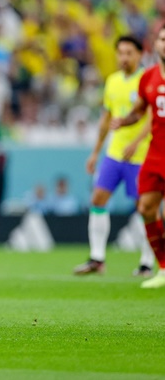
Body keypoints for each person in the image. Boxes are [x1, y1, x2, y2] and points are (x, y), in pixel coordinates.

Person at [74, 35, 155, 276]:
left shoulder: (148, 80)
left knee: (144, 208)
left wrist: (137, 142)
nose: (124, 58)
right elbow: (106, 119)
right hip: (114, 153)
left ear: (140, 54)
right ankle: (97, 258)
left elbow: (152, 118)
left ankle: (147, 262)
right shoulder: (112, 81)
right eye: (120, 53)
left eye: (129, 53)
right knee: (98, 199)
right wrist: (95, 152)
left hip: (140, 155)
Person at [110, 25, 165, 288]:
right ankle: (163, 267)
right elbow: (140, 111)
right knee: (145, 208)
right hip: (155, 154)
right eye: (162, 39)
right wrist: (124, 121)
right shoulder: (149, 78)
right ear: (156, 44)